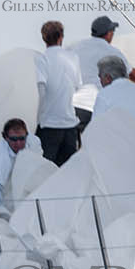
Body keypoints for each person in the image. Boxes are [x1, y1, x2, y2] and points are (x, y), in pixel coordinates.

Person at [34, 20, 83, 166]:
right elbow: (78, 86)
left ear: (43, 38)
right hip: (70, 123)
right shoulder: (73, 58)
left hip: (49, 125)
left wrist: (39, 118)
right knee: (69, 170)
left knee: (46, 169)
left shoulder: (41, 59)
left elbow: (41, 89)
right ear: (61, 37)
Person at [69, 15, 130, 130]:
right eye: (113, 31)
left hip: (70, 106)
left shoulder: (75, 47)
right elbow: (131, 77)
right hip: (92, 107)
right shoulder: (112, 52)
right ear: (108, 34)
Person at [92, 55, 135, 143]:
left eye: (100, 77)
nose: (100, 81)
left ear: (108, 78)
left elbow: (96, 128)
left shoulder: (105, 94)